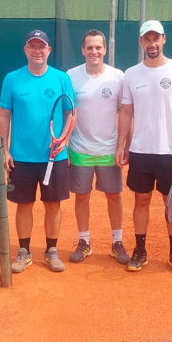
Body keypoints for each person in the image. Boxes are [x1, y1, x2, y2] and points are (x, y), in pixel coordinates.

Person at [115, 20, 172, 274]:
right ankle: (140, 250)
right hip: (140, 151)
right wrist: (122, 145)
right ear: (141, 42)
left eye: (156, 38)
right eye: (147, 39)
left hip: (171, 151)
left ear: (163, 39)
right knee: (141, 200)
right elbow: (126, 112)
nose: (152, 43)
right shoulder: (131, 74)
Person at [0, 30, 75, 274]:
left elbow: (70, 112)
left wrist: (64, 139)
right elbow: (4, 115)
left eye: (42, 46)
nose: (37, 51)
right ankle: (24, 251)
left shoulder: (61, 78)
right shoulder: (12, 79)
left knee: (53, 205)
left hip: (54, 156)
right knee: (24, 205)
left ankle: (51, 250)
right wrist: (4, 150)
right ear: (26, 50)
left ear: (48, 50)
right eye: (32, 46)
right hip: (21, 158)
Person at [66, 29, 130, 265]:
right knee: (82, 197)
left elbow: (126, 112)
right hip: (79, 149)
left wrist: (124, 145)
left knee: (114, 196)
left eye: (98, 47)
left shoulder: (118, 77)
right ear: (83, 50)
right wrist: (65, 144)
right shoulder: (71, 76)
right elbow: (67, 113)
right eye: (89, 47)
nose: (94, 51)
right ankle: (84, 242)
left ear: (105, 49)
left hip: (109, 150)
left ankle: (117, 242)